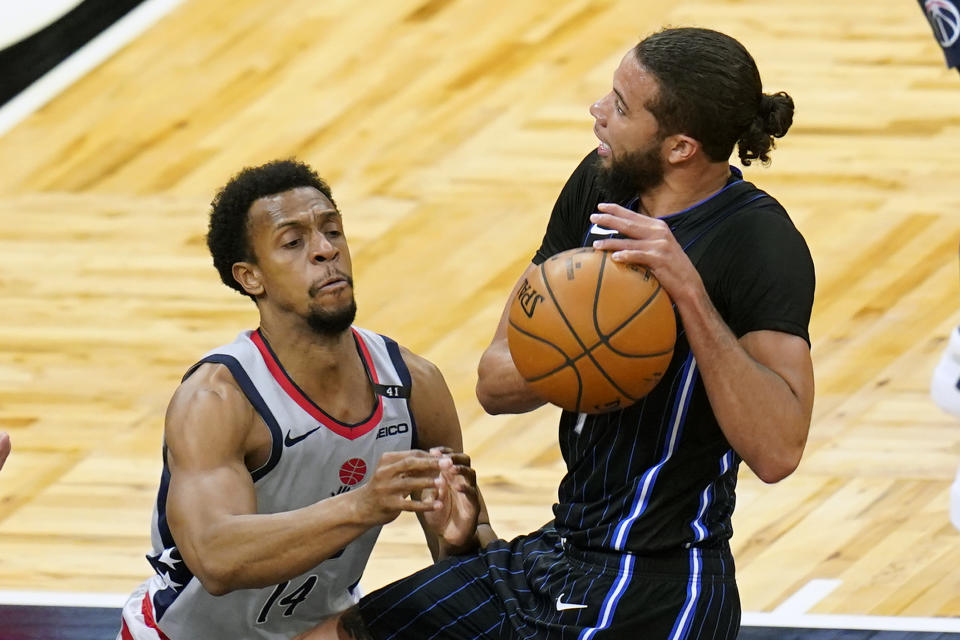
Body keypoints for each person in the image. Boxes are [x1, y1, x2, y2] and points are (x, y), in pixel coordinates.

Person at [311, 27, 816, 640]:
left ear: (681, 147)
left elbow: (778, 451)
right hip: (559, 554)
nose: (597, 112)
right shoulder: (600, 184)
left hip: (660, 586)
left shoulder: (759, 242)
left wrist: (687, 294)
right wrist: (582, 344)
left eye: (622, 107)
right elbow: (495, 383)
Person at [116, 159, 494, 639]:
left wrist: (461, 544)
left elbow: (474, 569)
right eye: (293, 242)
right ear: (251, 277)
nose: (325, 251)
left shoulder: (415, 384)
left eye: (333, 231)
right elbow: (215, 557)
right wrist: (363, 504)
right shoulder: (217, 398)